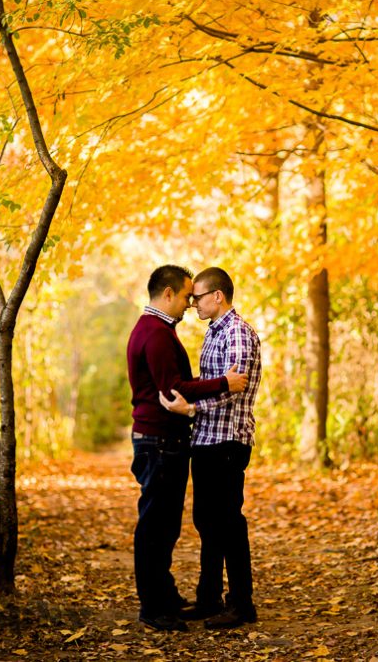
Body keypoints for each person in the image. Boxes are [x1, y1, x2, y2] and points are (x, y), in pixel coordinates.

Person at [126, 264, 249, 632]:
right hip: (160, 440)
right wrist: (222, 383)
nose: (188, 304)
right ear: (167, 294)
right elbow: (172, 387)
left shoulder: (157, 330)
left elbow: (180, 385)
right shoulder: (156, 332)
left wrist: (200, 397)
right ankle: (154, 605)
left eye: (194, 297)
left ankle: (165, 595)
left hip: (177, 439)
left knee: (168, 525)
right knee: (157, 525)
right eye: (184, 296)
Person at [160, 267, 261, 629]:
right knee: (207, 522)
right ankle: (208, 598)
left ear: (217, 296)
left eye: (198, 296)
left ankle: (241, 604)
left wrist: (190, 408)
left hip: (228, 441)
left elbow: (231, 391)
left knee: (229, 523)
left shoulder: (237, 332)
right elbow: (213, 383)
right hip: (206, 440)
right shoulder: (214, 332)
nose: (192, 303)